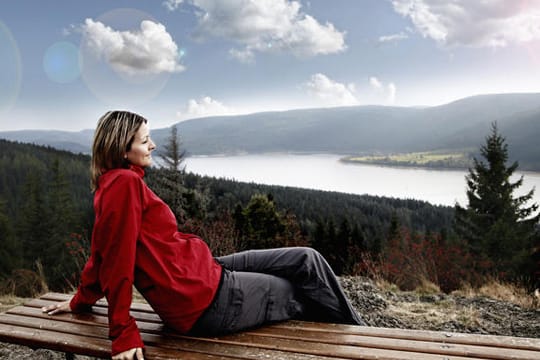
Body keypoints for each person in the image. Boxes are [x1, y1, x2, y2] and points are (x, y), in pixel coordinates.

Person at [42, 110, 365, 360]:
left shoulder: (117, 184)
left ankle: (361, 336)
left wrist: (80, 301)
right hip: (207, 302)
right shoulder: (123, 186)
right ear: (121, 149)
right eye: (144, 141)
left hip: (203, 273)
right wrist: (123, 332)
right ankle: (365, 347)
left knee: (306, 259)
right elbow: (113, 259)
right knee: (299, 291)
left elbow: (100, 253)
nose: (153, 145)